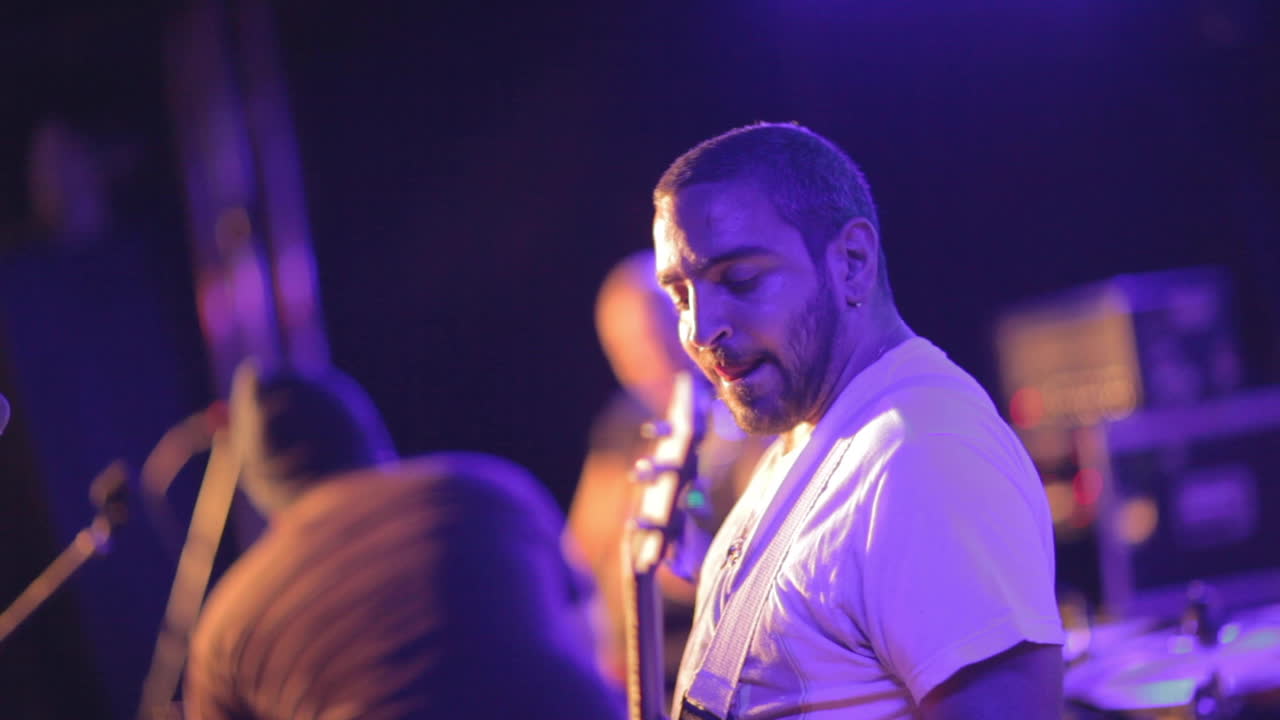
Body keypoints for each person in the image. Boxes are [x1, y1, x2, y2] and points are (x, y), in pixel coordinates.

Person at [651, 123, 1064, 719]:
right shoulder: (813, 432)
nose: (698, 329)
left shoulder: (925, 453)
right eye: (679, 296)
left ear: (852, 261)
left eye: (740, 280)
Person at [184, 361, 624, 719]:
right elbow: (591, 632)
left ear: (268, 500)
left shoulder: (225, 625)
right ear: (367, 437)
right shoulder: (489, 487)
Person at [566, 251, 771, 692]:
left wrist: (687, 569)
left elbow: (762, 577)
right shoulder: (625, 422)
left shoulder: (750, 421)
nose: (648, 361)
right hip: (621, 670)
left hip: (708, 667)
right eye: (627, 349)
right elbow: (580, 550)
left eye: (656, 336)